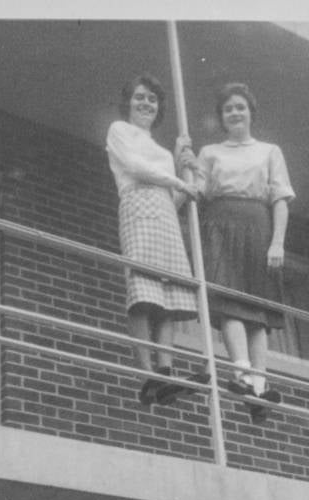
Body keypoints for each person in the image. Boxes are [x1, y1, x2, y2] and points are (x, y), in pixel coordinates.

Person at [181, 82, 294, 424]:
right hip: (221, 223)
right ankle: (241, 373)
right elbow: (196, 192)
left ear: (251, 112)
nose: (234, 113)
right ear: (222, 117)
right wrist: (185, 163)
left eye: (240, 107)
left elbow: (280, 199)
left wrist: (277, 241)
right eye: (228, 108)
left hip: (257, 226)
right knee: (230, 300)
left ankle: (259, 386)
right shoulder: (211, 152)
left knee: (257, 311)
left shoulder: (269, 151)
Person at [106, 73, 208, 405]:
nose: (146, 103)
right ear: (128, 102)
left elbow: (174, 198)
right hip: (138, 206)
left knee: (168, 295)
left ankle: (165, 371)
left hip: (164, 215)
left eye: (152, 99)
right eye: (139, 97)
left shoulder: (163, 151)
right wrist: (178, 183)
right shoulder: (120, 131)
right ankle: (147, 374)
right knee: (143, 291)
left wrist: (185, 172)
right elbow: (136, 168)